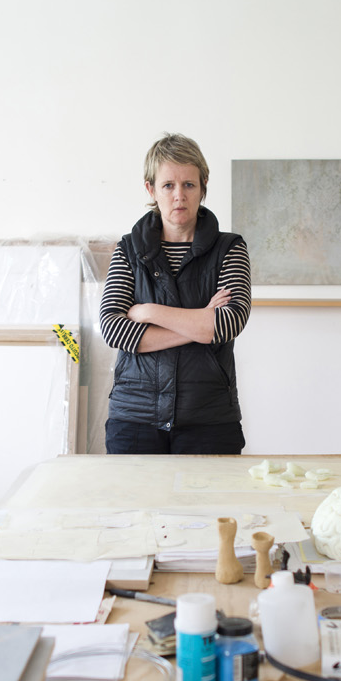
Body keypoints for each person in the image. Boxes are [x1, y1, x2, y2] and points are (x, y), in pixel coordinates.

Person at [99, 133, 252, 454]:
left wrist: (149, 312)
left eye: (189, 184)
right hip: (134, 417)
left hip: (209, 417)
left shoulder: (230, 248)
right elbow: (113, 328)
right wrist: (198, 324)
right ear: (151, 189)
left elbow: (228, 323)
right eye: (168, 185)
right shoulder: (128, 249)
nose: (178, 195)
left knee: (204, 507)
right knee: (135, 506)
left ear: (203, 186)